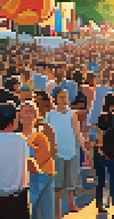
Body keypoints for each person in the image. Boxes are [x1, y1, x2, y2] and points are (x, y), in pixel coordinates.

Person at [44, 89, 85, 217]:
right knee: (58, 185)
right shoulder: (50, 115)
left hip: (71, 151)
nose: (63, 99)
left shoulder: (72, 114)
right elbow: (45, 132)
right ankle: (58, 211)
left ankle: (71, 204)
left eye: (65, 97)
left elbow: (77, 131)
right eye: (60, 97)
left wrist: (83, 146)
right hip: (57, 153)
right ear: (55, 99)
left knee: (71, 181)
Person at [19, 101, 57, 219]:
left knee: (45, 213)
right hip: (24, 180)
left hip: (44, 177)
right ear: (19, 117)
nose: (29, 115)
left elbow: (50, 152)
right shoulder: (16, 137)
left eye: (31, 112)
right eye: (26, 112)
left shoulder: (43, 132)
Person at [95, 93, 114, 216]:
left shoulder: (101, 118)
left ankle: (100, 205)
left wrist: (100, 148)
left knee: (100, 180)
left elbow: (100, 134)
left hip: (102, 152)